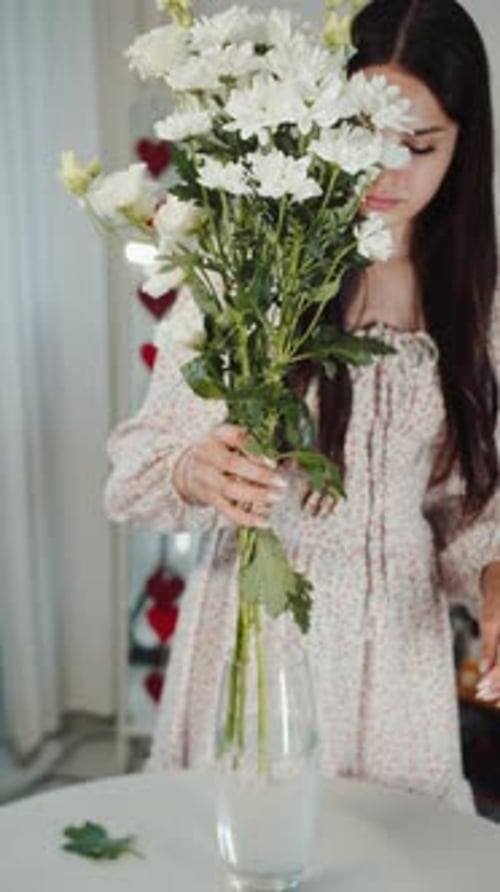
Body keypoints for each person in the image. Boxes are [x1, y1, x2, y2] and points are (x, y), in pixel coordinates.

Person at [105, 0, 500, 813]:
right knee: (247, 838)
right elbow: (137, 474)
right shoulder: (242, 267)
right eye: (364, 136)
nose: (386, 173)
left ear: (464, 148)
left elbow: (465, 513)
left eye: (420, 146)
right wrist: (194, 468)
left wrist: (497, 586)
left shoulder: (476, 301)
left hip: (398, 657)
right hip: (251, 631)